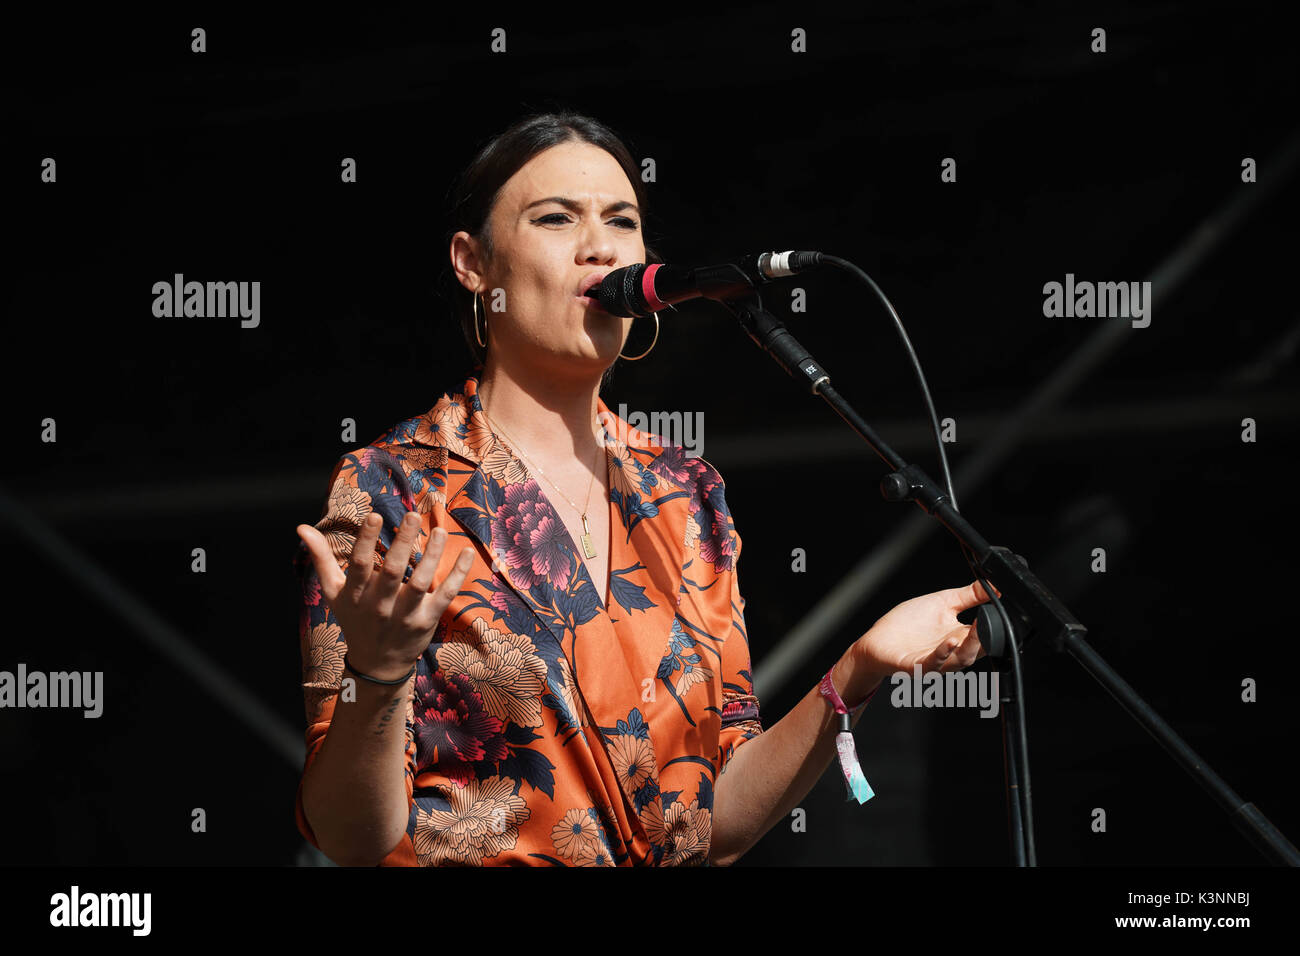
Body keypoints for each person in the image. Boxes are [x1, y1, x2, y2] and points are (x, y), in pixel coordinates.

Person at [291, 111, 997, 866]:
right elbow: (349, 837)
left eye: (622, 221)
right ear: (473, 263)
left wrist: (859, 668)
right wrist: (377, 675)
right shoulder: (395, 484)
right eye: (556, 218)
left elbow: (714, 822)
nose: (600, 245)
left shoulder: (685, 492)